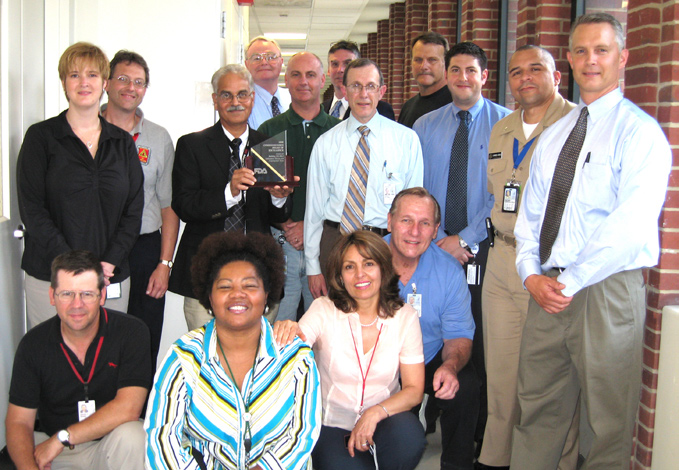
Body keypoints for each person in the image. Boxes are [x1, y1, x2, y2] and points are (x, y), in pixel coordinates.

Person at [511, 13, 671, 470]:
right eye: (580, 50)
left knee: (607, 426)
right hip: (547, 291)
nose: (590, 60)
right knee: (535, 411)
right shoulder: (558, 133)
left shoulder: (639, 134)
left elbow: (631, 223)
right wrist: (530, 275)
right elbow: (532, 216)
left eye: (601, 50)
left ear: (623, 58)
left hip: (605, 291)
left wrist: (574, 279)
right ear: (569, 59)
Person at [477, 45, 579, 470]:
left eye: (536, 69)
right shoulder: (502, 130)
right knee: (500, 378)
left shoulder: (577, 125)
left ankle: (557, 462)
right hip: (502, 259)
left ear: (557, 76)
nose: (525, 78)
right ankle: (497, 460)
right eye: (516, 72)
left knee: (548, 384)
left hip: (548, 266)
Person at [145, 231, 321, 470]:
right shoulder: (183, 357)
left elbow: (303, 434)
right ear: (209, 296)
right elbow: (162, 438)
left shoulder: (295, 355)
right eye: (225, 286)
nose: (237, 294)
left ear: (267, 293)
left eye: (250, 285)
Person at [414, 42, 510, 444]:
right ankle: (436, 405)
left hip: (484, 246)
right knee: (432, 322)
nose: (462, 78)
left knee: (480, 335)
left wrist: (465, 238)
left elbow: (504, 191)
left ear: (484, 76)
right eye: (455, 70)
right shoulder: (425, 126)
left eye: (471, 70)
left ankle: (481, 433)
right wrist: (437, 239)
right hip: (433, 247)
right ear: (446, 75)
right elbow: (417, 189)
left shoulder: (507, 124)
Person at [17, 42, 143, 328]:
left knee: (106, 360)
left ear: (105, 83)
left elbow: (133, 210)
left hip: (108, 276)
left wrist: (108, 263)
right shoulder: (41, 138)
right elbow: (32, 209)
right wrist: (73, 267)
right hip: (50, 275)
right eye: (74, 75)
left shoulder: (122, 143)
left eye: (92, 75)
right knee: (52, 362)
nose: (84, 82)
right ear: (64, 83)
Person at [168, 64, 295, 331]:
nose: (235, 102)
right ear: (215, 100)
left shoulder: (268, 145)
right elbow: (184, 205)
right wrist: (230, 192)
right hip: (205, 275)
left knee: (256, 356)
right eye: (226, 95)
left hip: (258, 273)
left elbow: (277, 216)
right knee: (204, 357)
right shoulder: (191, 145)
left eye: (242, 94)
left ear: (251, 98)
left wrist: (279, 198)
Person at [5, 250, 151, 470]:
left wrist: (63, 437)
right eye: (67, 294)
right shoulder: (33, 345)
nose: (77, 305)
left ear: (102, 296)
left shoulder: (132, 332)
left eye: (87, 294)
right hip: (53, 451)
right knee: (21, 451)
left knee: (135, 435)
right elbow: (18, 421)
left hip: (109, 445)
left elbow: (129, 408)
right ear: (52, 295)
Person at [295, 230, 426, 470]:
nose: (360, 275)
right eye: (349, 267)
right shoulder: (323, 309)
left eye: (368, 264)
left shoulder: (404, 317)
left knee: (409, 436)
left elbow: (414, 389)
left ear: (383, 269)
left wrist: (375, 413)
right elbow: (295, 343)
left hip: (385, 419)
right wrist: (287, 329)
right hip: (332, 425)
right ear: (339, 275)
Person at [305, 58, 423, 300]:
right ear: (345, 92)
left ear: (381, 92)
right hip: (335, 242)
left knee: (383, 319)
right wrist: (312, 267)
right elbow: (314, 210)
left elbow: (415, 207)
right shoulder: (326, 143)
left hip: (385, 244)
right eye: (355, 86)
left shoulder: (406, 140)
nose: (363, 94)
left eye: (370, 86)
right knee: (336, 324)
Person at [386, 187, 479, 470]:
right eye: (406, 220)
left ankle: (456, 464)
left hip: (428, 355)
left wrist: (450, 366)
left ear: (436, 229)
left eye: (425, 223)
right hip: (380, 363)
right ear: (389, 221)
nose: (415, 232)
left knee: (467, 384)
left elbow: (460, 335)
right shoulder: (364, 260)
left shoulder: (449, 271)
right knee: (401, 439)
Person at [101, 50, 178, 369]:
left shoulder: (158, 138)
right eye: (122, 79)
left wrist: (164, 263)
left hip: (145, 249)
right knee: (101, 333)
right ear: (106, 83)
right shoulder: (87, 131)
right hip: (99, 247)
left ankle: (141, 411)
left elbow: (168, 206)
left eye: (139, 82)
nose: (130, 87)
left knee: (144, 333)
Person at [258, 52, 342, 321]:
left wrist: (310, 225)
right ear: (287, 80)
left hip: (327, 241)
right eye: (296, 74)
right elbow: (263, 192)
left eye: (310, 75)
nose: (303, 81)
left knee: (324, 325)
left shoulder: (339, 131)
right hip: (283, 243)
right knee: (280, 322)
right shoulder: (269, 129)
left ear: (322, 79)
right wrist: (288, 225)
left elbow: (343, 190)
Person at [322, 40, 395, 120]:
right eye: (335, 64)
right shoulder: (320, 110)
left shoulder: (380, 109)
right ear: (328, 70)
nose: (340, 70)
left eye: (347, 64)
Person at [397, 32, 452, 128]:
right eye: (418, 60)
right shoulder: (408, 107)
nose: (424, 66)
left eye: (432, 60)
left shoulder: (455, 105)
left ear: (446, 63)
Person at [245, 36, 291, 129]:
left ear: (281, 62)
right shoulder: (243, 102)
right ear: (247, 64)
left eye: (271, 57)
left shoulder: (293, 98)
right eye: (257, 58)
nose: (264, 62)